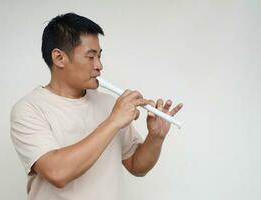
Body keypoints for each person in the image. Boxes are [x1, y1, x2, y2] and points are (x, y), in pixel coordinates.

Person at [10, 12, 183, 200]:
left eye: (99, 56)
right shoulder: (29, 109)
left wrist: (156, 137)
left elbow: (137, 166)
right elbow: (57, 173)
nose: (99, 65)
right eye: (90, 57)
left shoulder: (108, 104)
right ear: (59, 58)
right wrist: (113, 121)